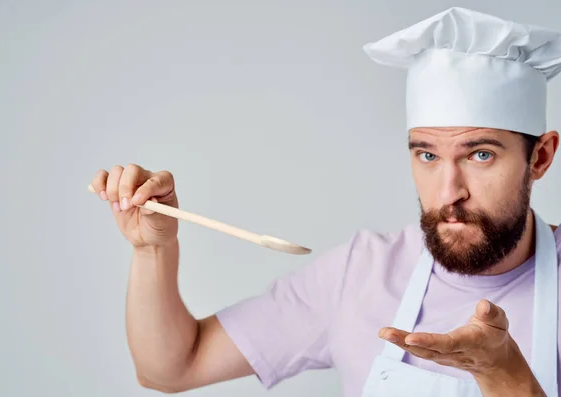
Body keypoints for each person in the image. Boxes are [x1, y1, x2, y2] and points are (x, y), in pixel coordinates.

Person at [89, 7, 561, 397]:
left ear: (539, 157)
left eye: (480, 155)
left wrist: (506, 378)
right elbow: (171, 368)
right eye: (427, 155)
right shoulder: (361, 273)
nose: (447, 192)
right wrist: (153, 248)